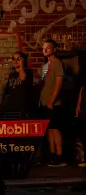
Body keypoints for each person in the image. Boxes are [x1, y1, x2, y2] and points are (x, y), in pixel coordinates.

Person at [38, 39, 66, 167]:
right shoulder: (45, 66)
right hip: (44, 102)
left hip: (53, 103)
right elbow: (42, 83)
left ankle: (60, 156)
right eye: (44, 48)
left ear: (54, 49)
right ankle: (52, 154)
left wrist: (51, 101)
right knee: (49, 129)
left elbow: (58, 84)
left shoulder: (57, 63)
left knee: (55, 129)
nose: (45, 50)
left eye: (48, 48)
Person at [1, 52, 37, 118]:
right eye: (13, 59)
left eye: (18, 59)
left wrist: (22, 65)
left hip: (24, 109)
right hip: (13, 109)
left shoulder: (28, 72)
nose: (15, 61)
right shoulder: (11, 75)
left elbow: (22, 78)